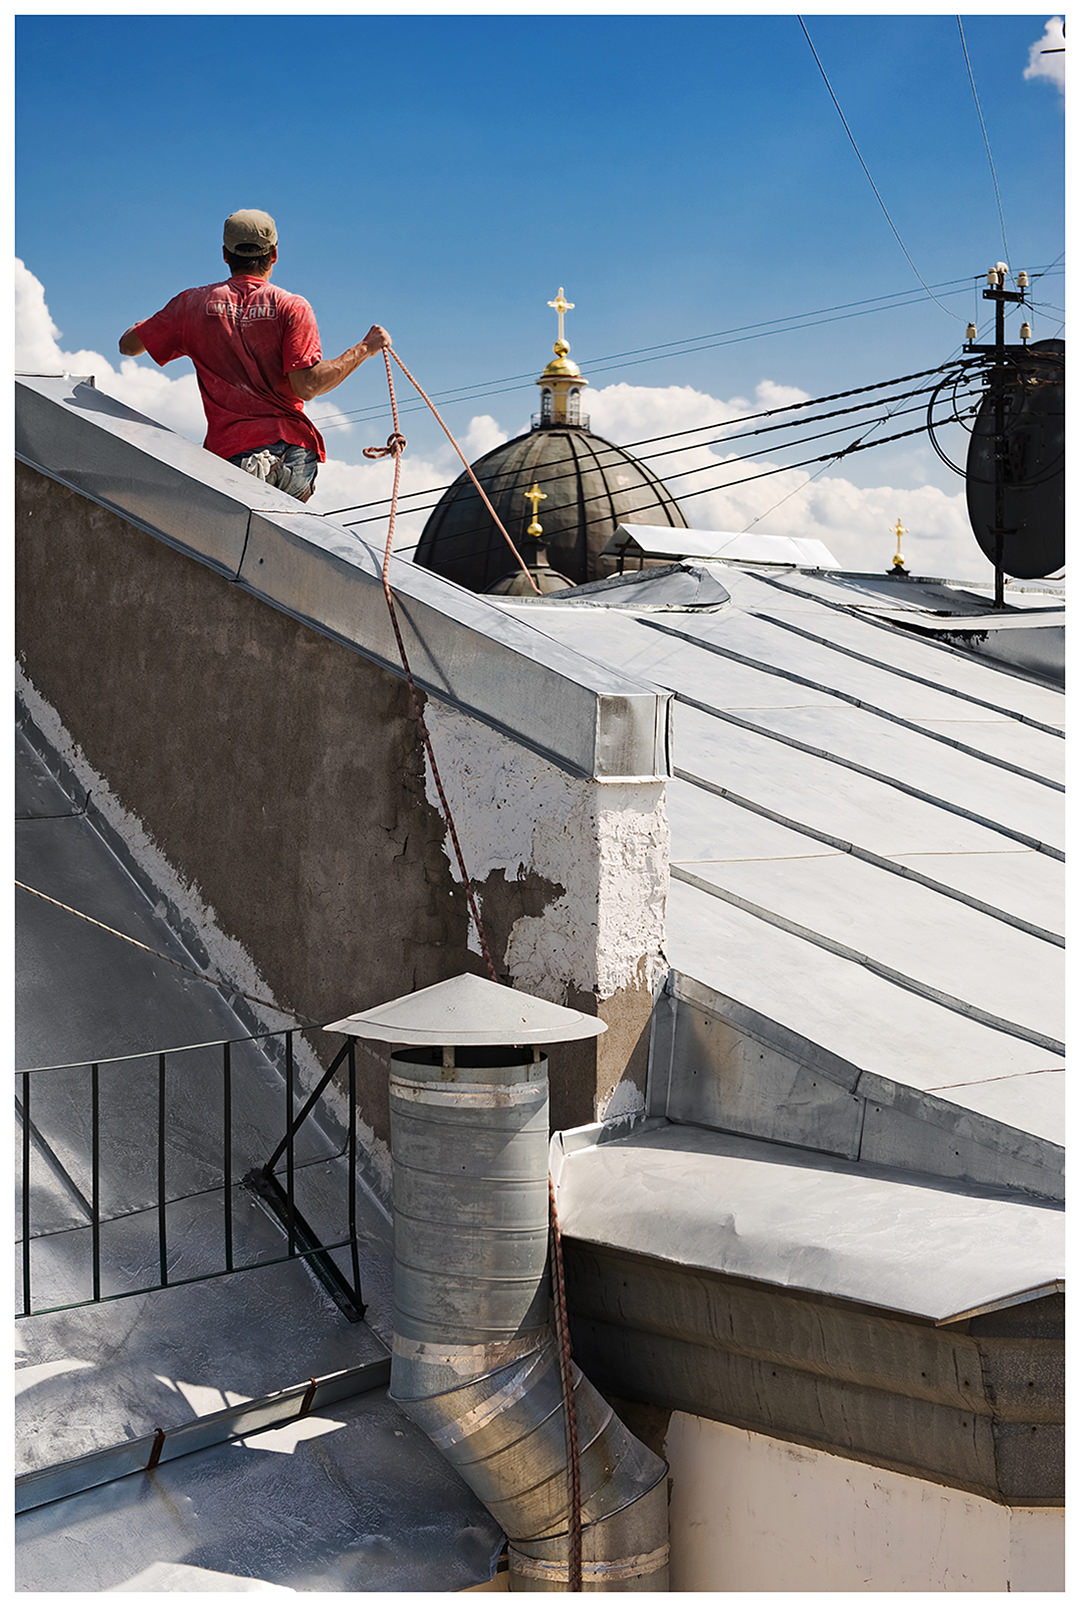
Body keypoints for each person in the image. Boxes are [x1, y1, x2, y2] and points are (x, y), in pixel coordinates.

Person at [119, 209, 390, 502]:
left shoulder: (192, 304)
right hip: (291, 455)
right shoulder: (292, 307)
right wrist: (365, 348)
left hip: (230, 458)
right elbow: (307, 385)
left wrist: (149, 325)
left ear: (225, 254)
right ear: (273, 254)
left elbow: (128, 346)